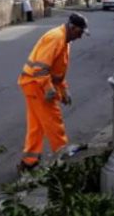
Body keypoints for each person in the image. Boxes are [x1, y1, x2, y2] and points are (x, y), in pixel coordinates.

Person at [16, 13, 89, 173]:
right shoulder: (56, 38)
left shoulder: (65, 40)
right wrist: (49, 90)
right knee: (52, 118)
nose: (80, 36)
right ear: (72, 27)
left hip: (33, 83)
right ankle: (62, 154)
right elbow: (40, 69)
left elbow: (57, 73)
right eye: (80, 32)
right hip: (36, 84)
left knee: (37, 124)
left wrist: (63, 89)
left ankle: (29, 161)